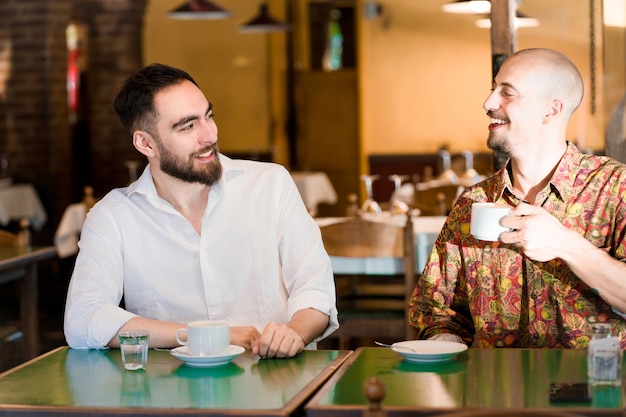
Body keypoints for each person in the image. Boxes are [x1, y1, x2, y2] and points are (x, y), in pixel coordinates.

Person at [64, 63, 338, 358]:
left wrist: (294, 332)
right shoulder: (114, 216)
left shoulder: (271, 184)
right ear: (145, 143)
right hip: (171, 392)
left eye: (209, 116)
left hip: (277, 379)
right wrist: (202, 335)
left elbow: (315, 290)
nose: (209, 135)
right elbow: (83, 320)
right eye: (188, 126)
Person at [408, 48, 626, 348]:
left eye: (507, 93)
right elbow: (435, 309)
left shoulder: (615, 187)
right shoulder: (474, 202)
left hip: (590, 389)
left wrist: (566, 245)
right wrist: (444, 339)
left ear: (551, 110)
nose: (488, 103)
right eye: (492, 89)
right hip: (493, 389)